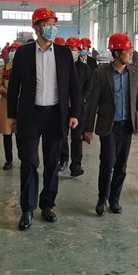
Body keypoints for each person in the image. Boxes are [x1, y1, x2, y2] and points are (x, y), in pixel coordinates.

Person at [6, 7, 82, 231]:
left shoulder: (64, 54)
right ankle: (27, 208)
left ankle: (47, 204)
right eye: (47, 24)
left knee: (52, 162)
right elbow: (14, 87)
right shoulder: (24, 54)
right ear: (36, 28)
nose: (51, 28)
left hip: (56, 114)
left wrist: (75, 114)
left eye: (53, 24)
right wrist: (12, 116)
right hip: (30, 114)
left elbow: (74, 86)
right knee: (29, 161)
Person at [84, 33, 138, 216]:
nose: (131, 54)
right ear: (117, 52)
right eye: (127, 51)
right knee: (107, 163)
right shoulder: (101, 73)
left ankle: (114, 199)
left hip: (127, 125)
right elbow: (92, 103)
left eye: (131, 50)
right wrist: (88, 129)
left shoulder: (135, 73)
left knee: (121, 165)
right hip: (108, 126)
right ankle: (102, 199)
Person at [58, 37, 92, 176]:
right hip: (63, 107)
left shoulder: (85, 68)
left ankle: (76, 164)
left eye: (74, 49)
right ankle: (63, 159)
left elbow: (88, 87)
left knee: (77, 137)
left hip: (79, 109)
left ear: (79, 51)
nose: (72, 51)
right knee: (62, 135)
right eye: (69, 49)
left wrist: (79, 100)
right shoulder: (61, 67)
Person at [0, 41, 23, 170]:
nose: (13, 53)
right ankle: (8, 160)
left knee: (20, 134)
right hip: (6, 105)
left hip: (21, 105)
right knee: (7, 134)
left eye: (16, 51)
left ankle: (23, 158)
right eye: (12, 51)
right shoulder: (3, 70)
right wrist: (10, 93)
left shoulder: (26, 70)